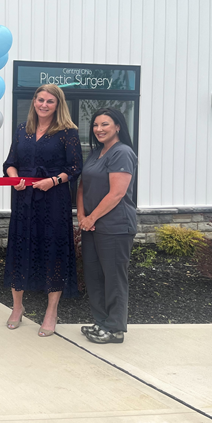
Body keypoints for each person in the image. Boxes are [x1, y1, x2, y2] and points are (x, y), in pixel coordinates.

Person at [3, 84, 82, 336]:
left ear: (58, 105)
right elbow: (10, 162)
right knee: (20, 250)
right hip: (24, 199)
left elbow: (75, 167)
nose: (44, 105)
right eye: (40, 100)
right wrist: (14, 177)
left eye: (50, 101)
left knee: (53, 253)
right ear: (34, 102)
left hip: (53, 200)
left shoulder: (68, 132)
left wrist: (54, 181)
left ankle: (51, 312)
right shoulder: (22, 130)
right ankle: (17, 307)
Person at [77, 107, 137, 344]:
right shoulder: (95, 153)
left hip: (115, 226)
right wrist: (82, 216)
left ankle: (115, 329)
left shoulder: (122, 153)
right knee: (94, 276)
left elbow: (117, 193)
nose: (99, 129)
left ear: (118, 127)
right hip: (91, 226)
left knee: (113, 277)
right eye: (95, 125)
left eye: (105, 125)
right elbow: (82, 187)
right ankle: (100, 322)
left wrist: (92, 218)